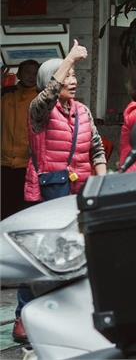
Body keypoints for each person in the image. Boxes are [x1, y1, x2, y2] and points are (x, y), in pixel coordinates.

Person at [16, 43, 107, 343]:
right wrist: (68, 59)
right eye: (65, 75)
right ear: (49, 81)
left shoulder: (82, 111)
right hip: (48, 193)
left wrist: (102, 182)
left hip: (80, 190)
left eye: (74, 74)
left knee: (80, 255)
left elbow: (96, 148)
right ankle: (23, 315)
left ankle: (72, 315)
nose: (73, 79)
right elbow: (48, 96)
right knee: (43, 256)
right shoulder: (38, 111)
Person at [1, 60, 39, 219]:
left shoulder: (40, 97)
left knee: (23, 211)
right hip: (3, 163)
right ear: (18, 75)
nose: (31, 76)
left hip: (27, 164)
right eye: (27, 72)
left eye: (35, 73)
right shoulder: (6, 95)